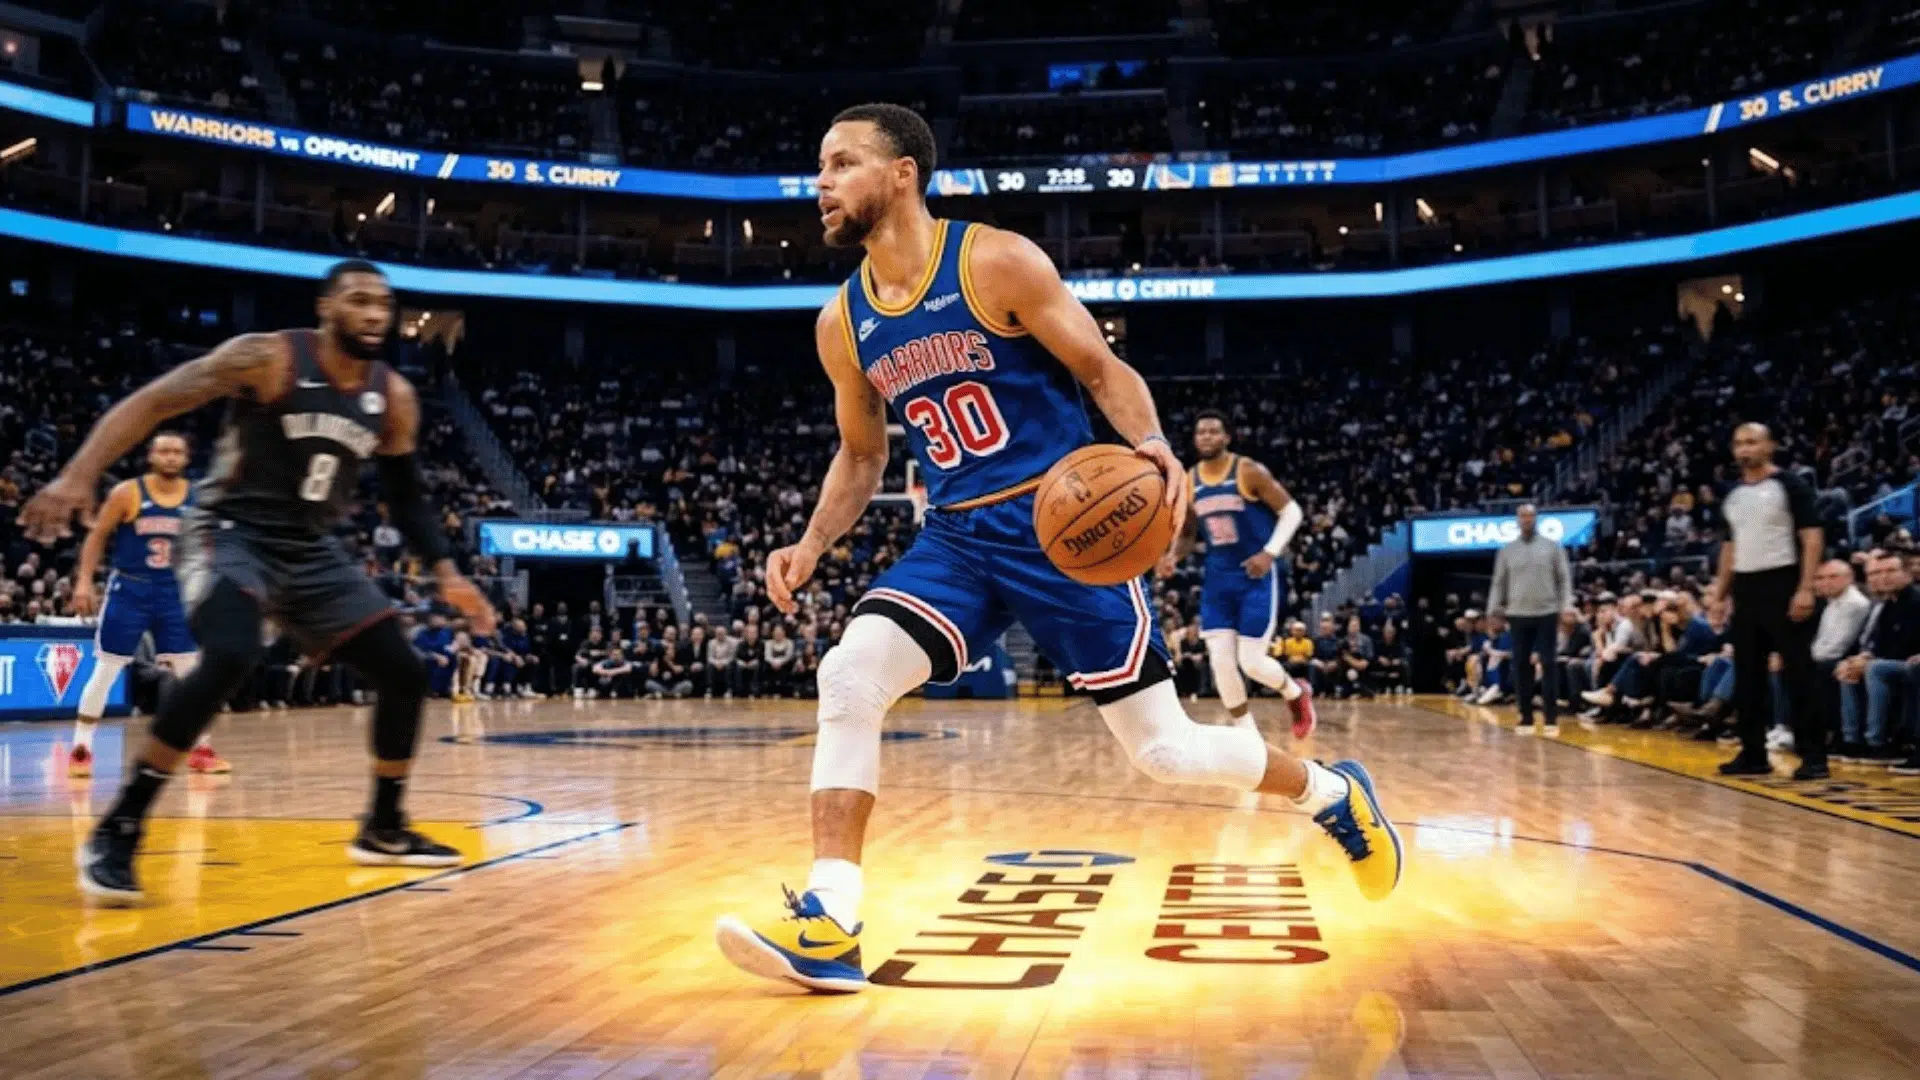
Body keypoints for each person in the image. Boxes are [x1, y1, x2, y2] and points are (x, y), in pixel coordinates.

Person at [714, 103, 1400, 995]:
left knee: (1165, 753)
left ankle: (1330, 793)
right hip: (957, 537)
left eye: (840, 164)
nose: (821, 184)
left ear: (901, 173)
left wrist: (1152, 447)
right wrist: (809, 542)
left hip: (1066, 527)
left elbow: (1102, 371)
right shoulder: (841, 322)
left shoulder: (995, 258)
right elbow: (863, 453)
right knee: (850, 673)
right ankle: (833, 918)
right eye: (820, 168)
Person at [19, 260, 497, 904]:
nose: (375, 313)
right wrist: (79, 474)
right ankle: (119, 828)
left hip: (310, 548)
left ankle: (383, 827)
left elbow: (407, 497)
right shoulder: (268, 358)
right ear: (327, 308)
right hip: (228, 530)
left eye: (383, 303)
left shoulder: (395, 397)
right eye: (358, 300)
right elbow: (154, 400)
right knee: (233, 653)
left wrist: (448, 572)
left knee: (405, 673)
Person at [67, 433, 227, 779]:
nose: (170, 457)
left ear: (186, 458)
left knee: (190, 673)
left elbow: (208, 546)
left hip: (175, 593)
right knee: (106, 670)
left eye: (177, 452)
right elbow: (96, 536)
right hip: (131, 590)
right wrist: (83, 582)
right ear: (151, 456)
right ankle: (81, 748)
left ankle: (201, 749)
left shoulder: (198, 498)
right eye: (164, 451)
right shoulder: (127, 493)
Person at [1158, 410, 1315, 735]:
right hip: (1217, 580)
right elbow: (1189, 534)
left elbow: (1292, 511)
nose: (1206, 437)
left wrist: (1269, 553)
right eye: (1201, 432)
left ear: (1227, 437)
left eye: (1214, 431)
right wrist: (1171, 555)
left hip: (1255, 577)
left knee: (1252, 663)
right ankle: (1247, 735)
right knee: (1220, 662)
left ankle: (1296, 693)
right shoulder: (1190, 480)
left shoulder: (1248, 471)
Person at [1706, 423, 1825, 779]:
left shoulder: (1790, 485)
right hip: (1746, 586)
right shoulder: (1732, 495)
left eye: (1752, 442)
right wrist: (1719, 595)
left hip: (1784, 580)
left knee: (1798, 672)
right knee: (1747, 677)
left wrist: (1806, 587)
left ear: (1770, 446)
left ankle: (1815, 757)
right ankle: (1753, 754)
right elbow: (1730, 548)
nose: (1745, 449)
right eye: (1739, 443)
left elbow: (1812, 537)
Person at [1487, 504, 1572, 735]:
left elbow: (1564, 579)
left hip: (1547, 611)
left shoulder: (1552, 548)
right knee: (1521, 665)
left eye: (1531, 516)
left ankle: (1551, 718)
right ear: (1517, 520)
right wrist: (1493, 611)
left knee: (1549, 664)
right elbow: (1499, 582)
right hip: (1517, 613)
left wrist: (1567, 606)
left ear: (1537, 519)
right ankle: (1525, 717)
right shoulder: (1506, 551)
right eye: (1523, 516)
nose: (1527, 519)